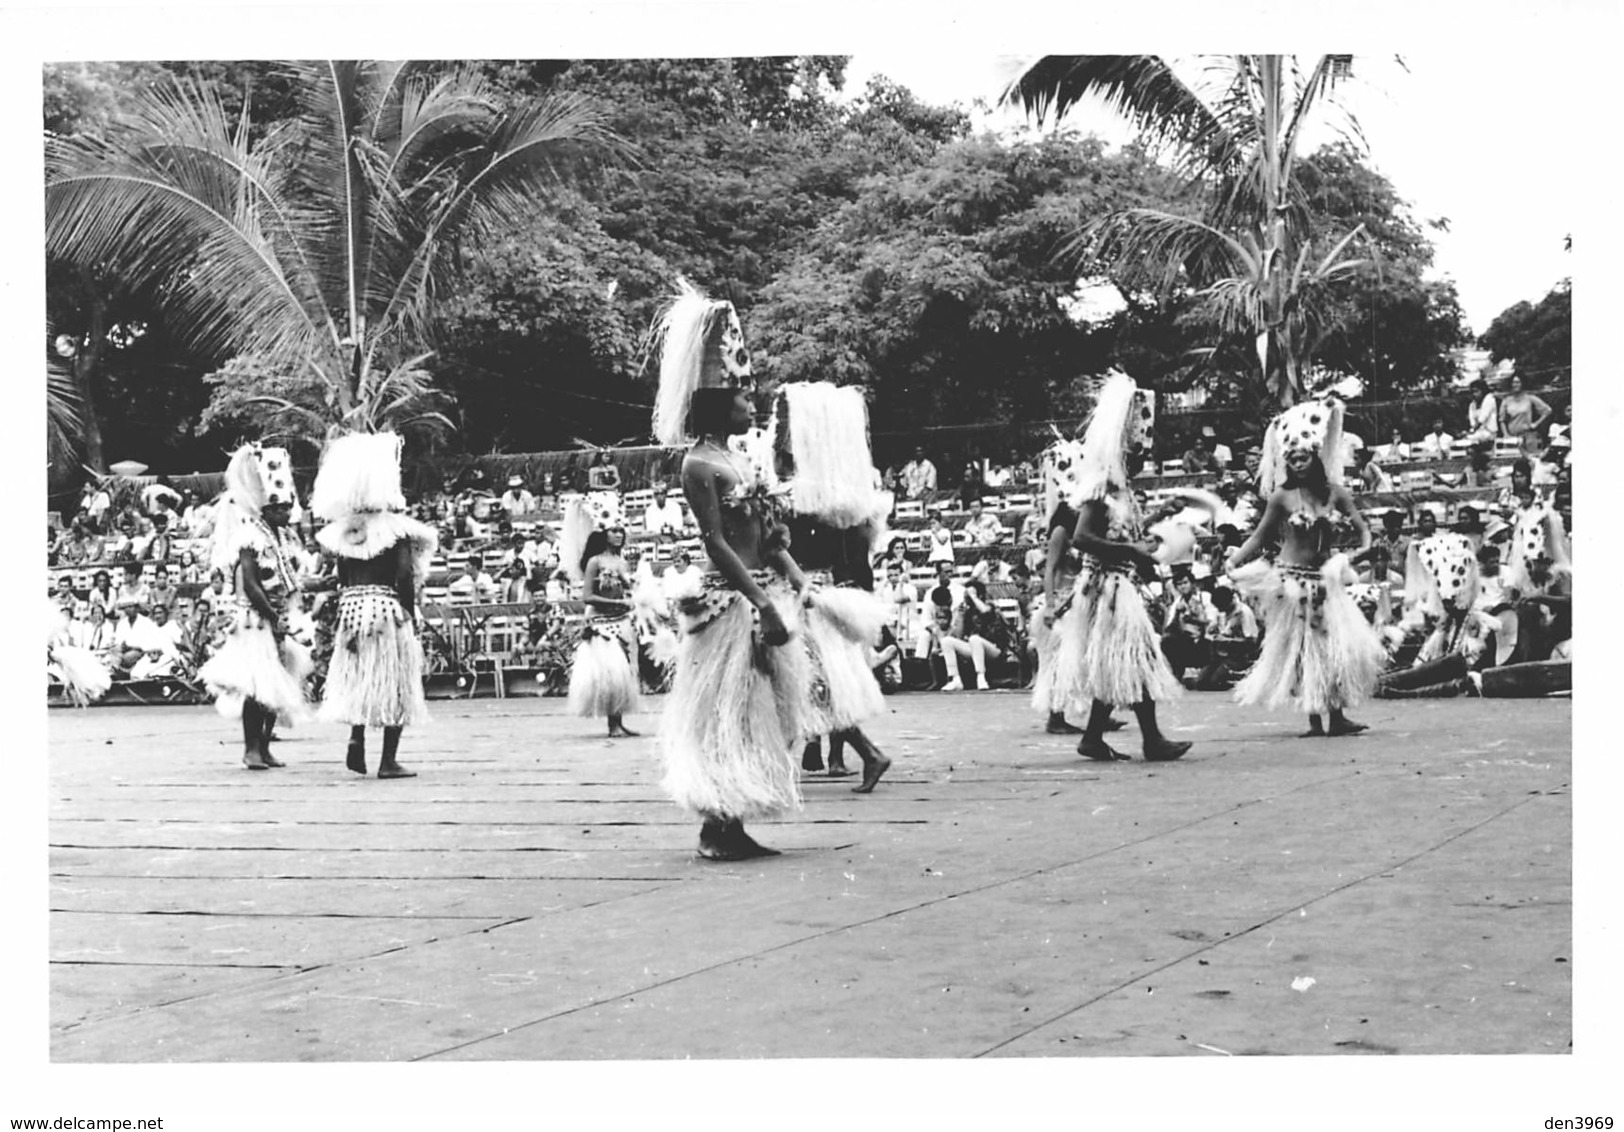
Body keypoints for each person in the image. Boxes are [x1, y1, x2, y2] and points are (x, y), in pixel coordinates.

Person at [649, 279, 814, 860]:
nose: (753, 404)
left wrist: (790, 574)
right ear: (723, 402)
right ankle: (715, 827)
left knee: (758, 711)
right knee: (725, 712)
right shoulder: (699, 464)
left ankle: (733, 821)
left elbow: (761, 538)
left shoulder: (739, 460)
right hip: (728, 604)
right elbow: (716, 543)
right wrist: (763, 602)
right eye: (745, 396)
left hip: (759, 593)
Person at [1226, 394, 1386, 737]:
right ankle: (1316, 717)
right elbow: (1259, 536)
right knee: (1306, 649)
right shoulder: (1281, 497)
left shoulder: (1335, 493)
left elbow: (1362, 528)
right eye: (1292, 459)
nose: (1298, 463)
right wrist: (1235, 560)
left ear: (1315, 457)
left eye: (1303, 457)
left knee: (1332, 646)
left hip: (1324, 580)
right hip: (1291, 582)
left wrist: (1358, 553)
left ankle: (1338, 716)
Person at [1053, 371, 1191, 762]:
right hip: (1106, 588)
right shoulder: (1102, 488)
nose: (1144, 456)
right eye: (1139, 451)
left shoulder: (1123, 489)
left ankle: (1102, 737)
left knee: (1125, 661)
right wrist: (1132, 550)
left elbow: (1121, 535)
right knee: (1134, 658)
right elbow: (1082, 538)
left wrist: (1147, 535)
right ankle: (1148, 740)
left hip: (1117, 586)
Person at [774, 379, 893, 792]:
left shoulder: (798, 500)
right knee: (811, 685)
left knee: (800, 683)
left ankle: (862, 754)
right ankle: (859, 754)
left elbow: (779, 549)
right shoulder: (833, 500)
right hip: (816, 596)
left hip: (802, 598)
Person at [309, 432, 438, 779]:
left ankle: (356, 736)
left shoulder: (345, 532)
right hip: (386, 609)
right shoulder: (396, 530)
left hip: (351, 610)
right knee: (395, 680)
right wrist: (409, 612)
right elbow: (403, 576)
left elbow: (341, 576)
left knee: (359, 677)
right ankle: (388, 761)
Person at [197, 443, 314, 770]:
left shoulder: (281, 537)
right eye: (281, 508)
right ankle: (251, 748)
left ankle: (264, 747)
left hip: (276, 619)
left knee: (275, 687)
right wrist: (273, 615)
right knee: (257, 686)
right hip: (255, 619)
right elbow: (250, 583)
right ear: (265, 508)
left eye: (289, 507)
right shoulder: (250, 536)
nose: (287, 513)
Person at [562, 497, 641, 739]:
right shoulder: (595, 562)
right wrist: (617, 603)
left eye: (621, 531)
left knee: (622, 674)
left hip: (622, 621)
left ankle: (618, 721)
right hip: (602, 624)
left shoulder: (621, 561)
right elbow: (588, 596)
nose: (619, 535)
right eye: (614, 531)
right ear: (604, 533)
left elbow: (628, 589)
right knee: (610, 674)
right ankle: (612, 726)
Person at [1498, 371, 1552, 456]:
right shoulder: (1506, 401)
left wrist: (1536, 423)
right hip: (1512, 436)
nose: (1515, 385)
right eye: (1513, 382)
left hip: (1528, 436)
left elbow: (1547, 410)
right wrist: (1506, 434)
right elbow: (1502, 420)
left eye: (1518, 382)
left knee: (1532, 460)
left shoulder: (1529, 398)